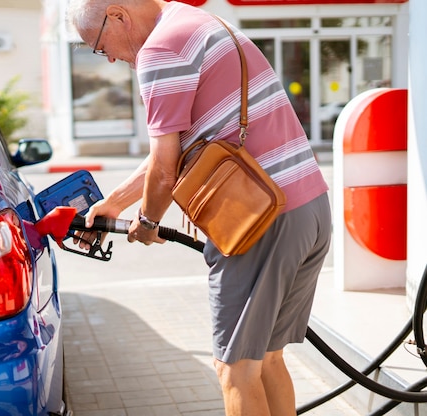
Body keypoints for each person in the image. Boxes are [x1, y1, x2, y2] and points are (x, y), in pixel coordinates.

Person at [66, 1, 332, 415]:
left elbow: (165, 168)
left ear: (117, 15)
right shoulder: (200, 24)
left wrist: (149, 222)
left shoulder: (159, 50)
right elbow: (175, 149)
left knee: (235, 369)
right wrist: (115, 204)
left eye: (99, 46)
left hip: (259, 220)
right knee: (267, 359)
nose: (111, 57)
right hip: (308, 207)